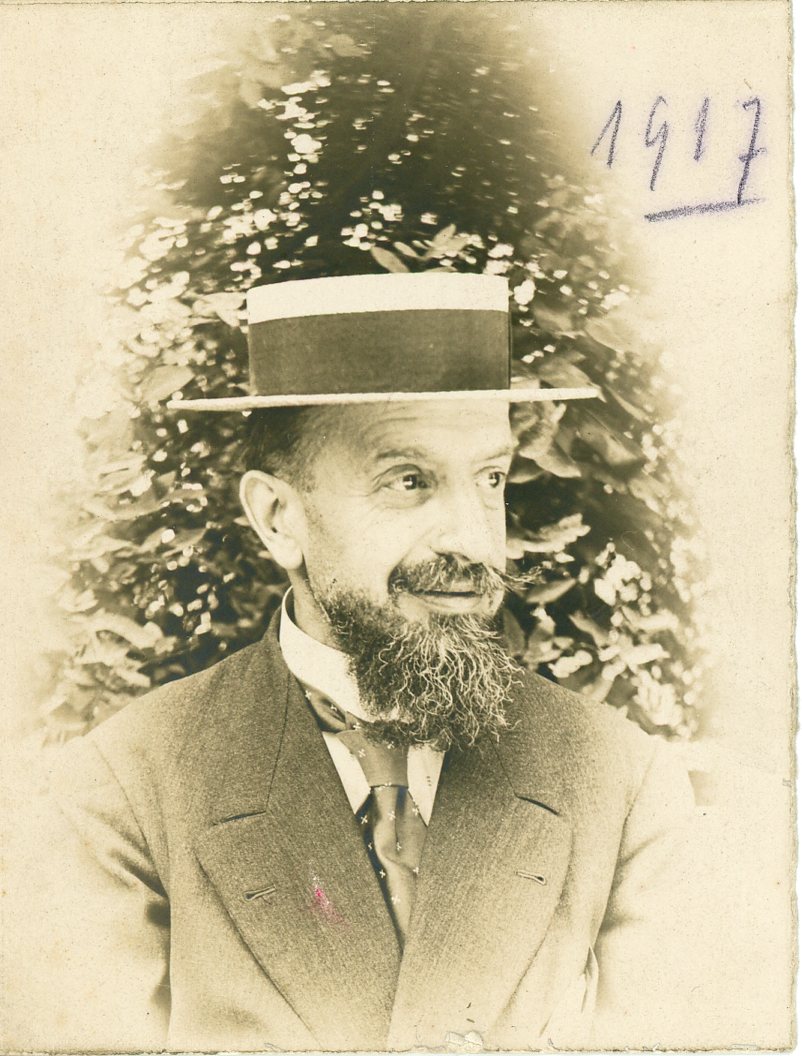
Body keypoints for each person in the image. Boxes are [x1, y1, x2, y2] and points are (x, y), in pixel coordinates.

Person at [9, 273, 717, 1053]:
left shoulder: (618, 782)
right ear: (279, 518)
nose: (474, 541)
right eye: (409, 481)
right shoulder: (126, 791)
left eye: (490, 479)